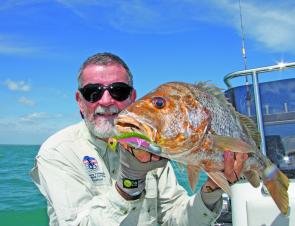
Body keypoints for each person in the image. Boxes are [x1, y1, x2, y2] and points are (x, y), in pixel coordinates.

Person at [31, 52, 246, 226]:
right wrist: (129, 183)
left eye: (118, 91)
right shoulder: (57, 152)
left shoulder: (153, 147)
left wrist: (212, 189)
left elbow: (175, 219)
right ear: (80, 101)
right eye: (93, 92)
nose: (106, 101)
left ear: (133, 99)